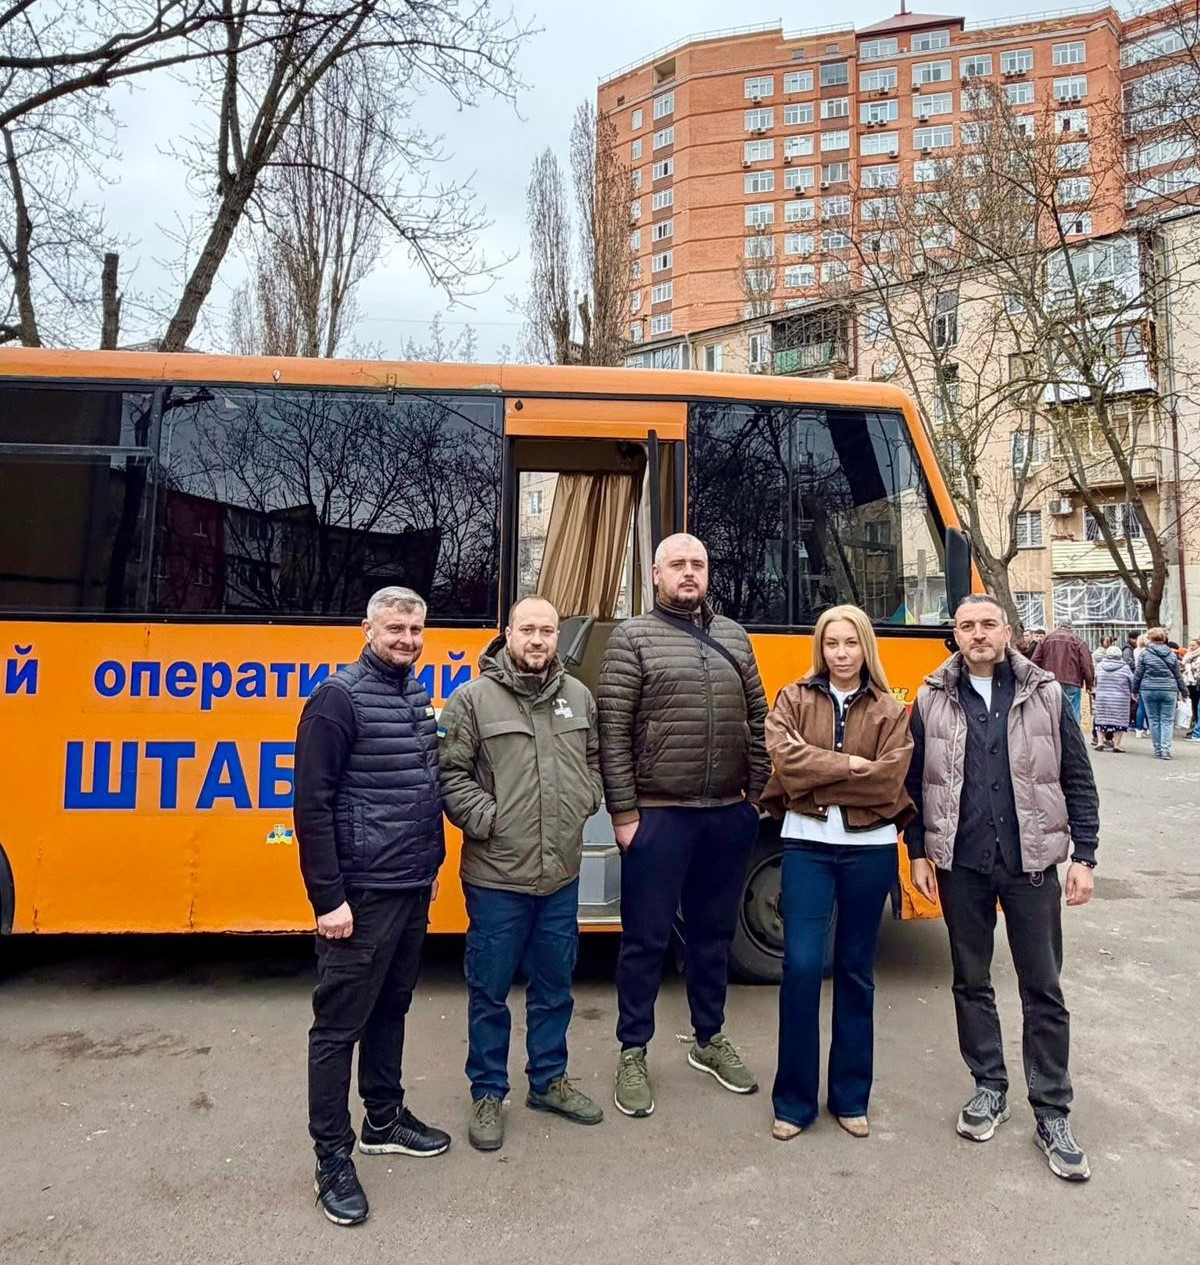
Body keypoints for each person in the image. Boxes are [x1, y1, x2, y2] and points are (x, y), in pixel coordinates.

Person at [905, 594, 1099, 1183]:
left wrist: (1084, 856)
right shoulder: (931, 698)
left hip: (1032, 863)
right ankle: (988, 1086)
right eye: (967, 626)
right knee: (971, 979)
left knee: (1043, 986)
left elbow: (1077, 777)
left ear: (1006, 631)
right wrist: (916, 852)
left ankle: (1052, 1110)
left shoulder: (1043, 694)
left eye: (988, 624)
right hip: (960, 863)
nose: (978, 634)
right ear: (956, 636)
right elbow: (914, 783)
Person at [598, 532, 770, 1118]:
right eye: (678, 564)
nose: (689, 573)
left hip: (726, 814)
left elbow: (759, 718)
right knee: (644, 941)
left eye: (697, 564)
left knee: (713, 937)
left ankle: (709, 1038)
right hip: (658, 815)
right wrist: (624, 814)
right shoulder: (632, 637)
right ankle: (632, 1050)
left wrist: (755, 798)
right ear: (655, 574)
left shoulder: (734, 637)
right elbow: (613, 732)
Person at [294, 586, 449, 1227]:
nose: (407, 639)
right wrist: (329, 898)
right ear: (366, 628)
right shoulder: (336, 699)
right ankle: (332, 1158)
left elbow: (418, 789)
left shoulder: (414, 693)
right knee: (338, 1028)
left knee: (392, 1008)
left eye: (415, 628)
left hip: (410, 885)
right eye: (394, 628)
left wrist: (430, 870)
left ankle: (383, 1118)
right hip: (359, 893)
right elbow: (311, 806)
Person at [438, 596, 605, 1152]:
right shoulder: (472, 700)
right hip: (496, 878)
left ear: (558, 637)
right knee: (489, 990)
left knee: (555, 985)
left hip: (560, 874)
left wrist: (587, 798)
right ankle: (488, 1092)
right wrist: (491, 820)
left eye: (547, 630)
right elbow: (450, 776)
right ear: (506, 633)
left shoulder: (578, 696)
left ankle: (549, 1081)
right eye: (527, 629)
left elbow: (596, 761)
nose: (537, 639)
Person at [760, 605, 914, 1141]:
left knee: (855, 971)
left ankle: (851, 1096)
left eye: (850, 643)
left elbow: (890, 782)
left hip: (869, 851)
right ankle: (794, 1102)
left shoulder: (891, 709)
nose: (841, 653)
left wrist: (818, 773)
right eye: (832, 644)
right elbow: (786, 764)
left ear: (865, 647)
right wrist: (850, 766)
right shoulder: (792, 699)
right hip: (806, 847)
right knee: (801, 968)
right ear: (820, 650)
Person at [1133, 626, 1188, 760]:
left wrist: (1134, 690)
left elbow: (1138, 674)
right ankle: (1165, 749)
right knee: (1167, 720)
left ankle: (1157, 748)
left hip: (1149, 689)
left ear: (1150, 638)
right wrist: (1184, 691)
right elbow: (1177, 675)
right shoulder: (1171, 654)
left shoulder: (1145, 654)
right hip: (1169, 689)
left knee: (1153, 719)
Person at [1031, 619, 1094, 723]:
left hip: (1050, 682)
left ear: (1058, 625)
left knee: (1052, 714)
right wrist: (1089, 684)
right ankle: (1073, 737)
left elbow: (1035, 661)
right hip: (1072, 682)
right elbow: (1086, 665)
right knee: (1072, 715)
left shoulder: (1046, 639)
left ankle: (1055, 737)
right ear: (1071, 627)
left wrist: (1037, 680)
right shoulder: (1078, 641)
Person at [1093, 646, 1134, 752]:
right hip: (1120, 699)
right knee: (1119, 721)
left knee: (1101, 719)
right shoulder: (1125, 667)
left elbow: (1095, 680)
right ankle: (1117, 745)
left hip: (1102, 697)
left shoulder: (1100, 666)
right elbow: (1131, 681)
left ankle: (1100, 742)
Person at [1181, 636, 1200, 737]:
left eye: (1194, 645)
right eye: (1190, 645)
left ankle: (1197, 728)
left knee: (1197, 706)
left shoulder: (1197, 656)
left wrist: (1189, 666)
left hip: (1197, 683)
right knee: (1194, 705)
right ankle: (1195, 726)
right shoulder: (1188, 655)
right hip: (1190, 683)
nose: (1191, 647)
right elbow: (1183, 664)